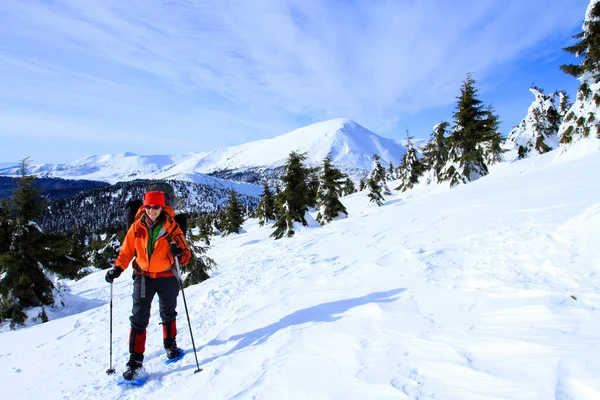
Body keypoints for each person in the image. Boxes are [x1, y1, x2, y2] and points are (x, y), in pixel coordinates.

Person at [105, 190, 191, 381]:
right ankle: (135, 362)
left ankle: (170, 346)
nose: (152, 211)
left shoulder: (172, 228)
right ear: (144, 207)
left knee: (168, 312)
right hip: (143, 277)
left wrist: (179, 252)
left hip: (167, 276)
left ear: (162, 207)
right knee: (138, 317)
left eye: (156, 207)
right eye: (149, 207)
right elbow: (126, 251)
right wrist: (117, 269)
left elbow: (185, 255)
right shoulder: (136, 227)